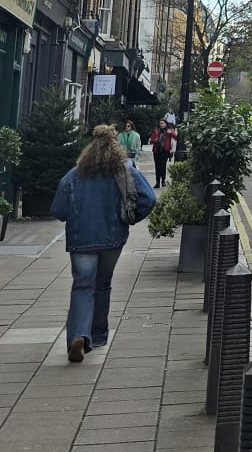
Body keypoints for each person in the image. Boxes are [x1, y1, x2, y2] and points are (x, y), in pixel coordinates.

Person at [50, 125, 155, 363]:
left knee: (82, 286)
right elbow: (149, 199)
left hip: (81, 240)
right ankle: (97, 335)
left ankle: (79, 335)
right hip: (112, 238)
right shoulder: (124, 171)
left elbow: (58, 209)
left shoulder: (75, 174)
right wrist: (130, 218)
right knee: (102, 284)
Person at [150, 120, 176, 189]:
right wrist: (155, 140)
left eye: (162, 123)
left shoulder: (169, 131)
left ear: (166, 124)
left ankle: (163, 181)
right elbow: (151, 141)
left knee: (163, 165)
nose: (161, 125)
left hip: (165, 151)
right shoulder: (156, 131)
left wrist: (171, 132)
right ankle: (157, 182)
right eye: (160, 123)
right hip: (157, 151)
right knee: (157, 166)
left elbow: (176, 137)